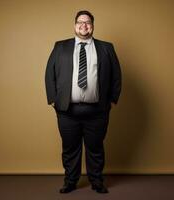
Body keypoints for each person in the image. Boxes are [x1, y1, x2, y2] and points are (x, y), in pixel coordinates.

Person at [45, 10, 121, 193]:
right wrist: (54, 100)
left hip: (97, 111)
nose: (83, 25)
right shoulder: (60, 47)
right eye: (80, 22)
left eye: (88, 22)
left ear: (93, 26)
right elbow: (49, 75)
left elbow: (116, 76)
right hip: (67, 111)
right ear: (74, 25)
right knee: (70, 149)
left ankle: (97, 182)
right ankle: (70, 182)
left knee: (95, 148)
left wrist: (112, 101)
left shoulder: (106, 48)